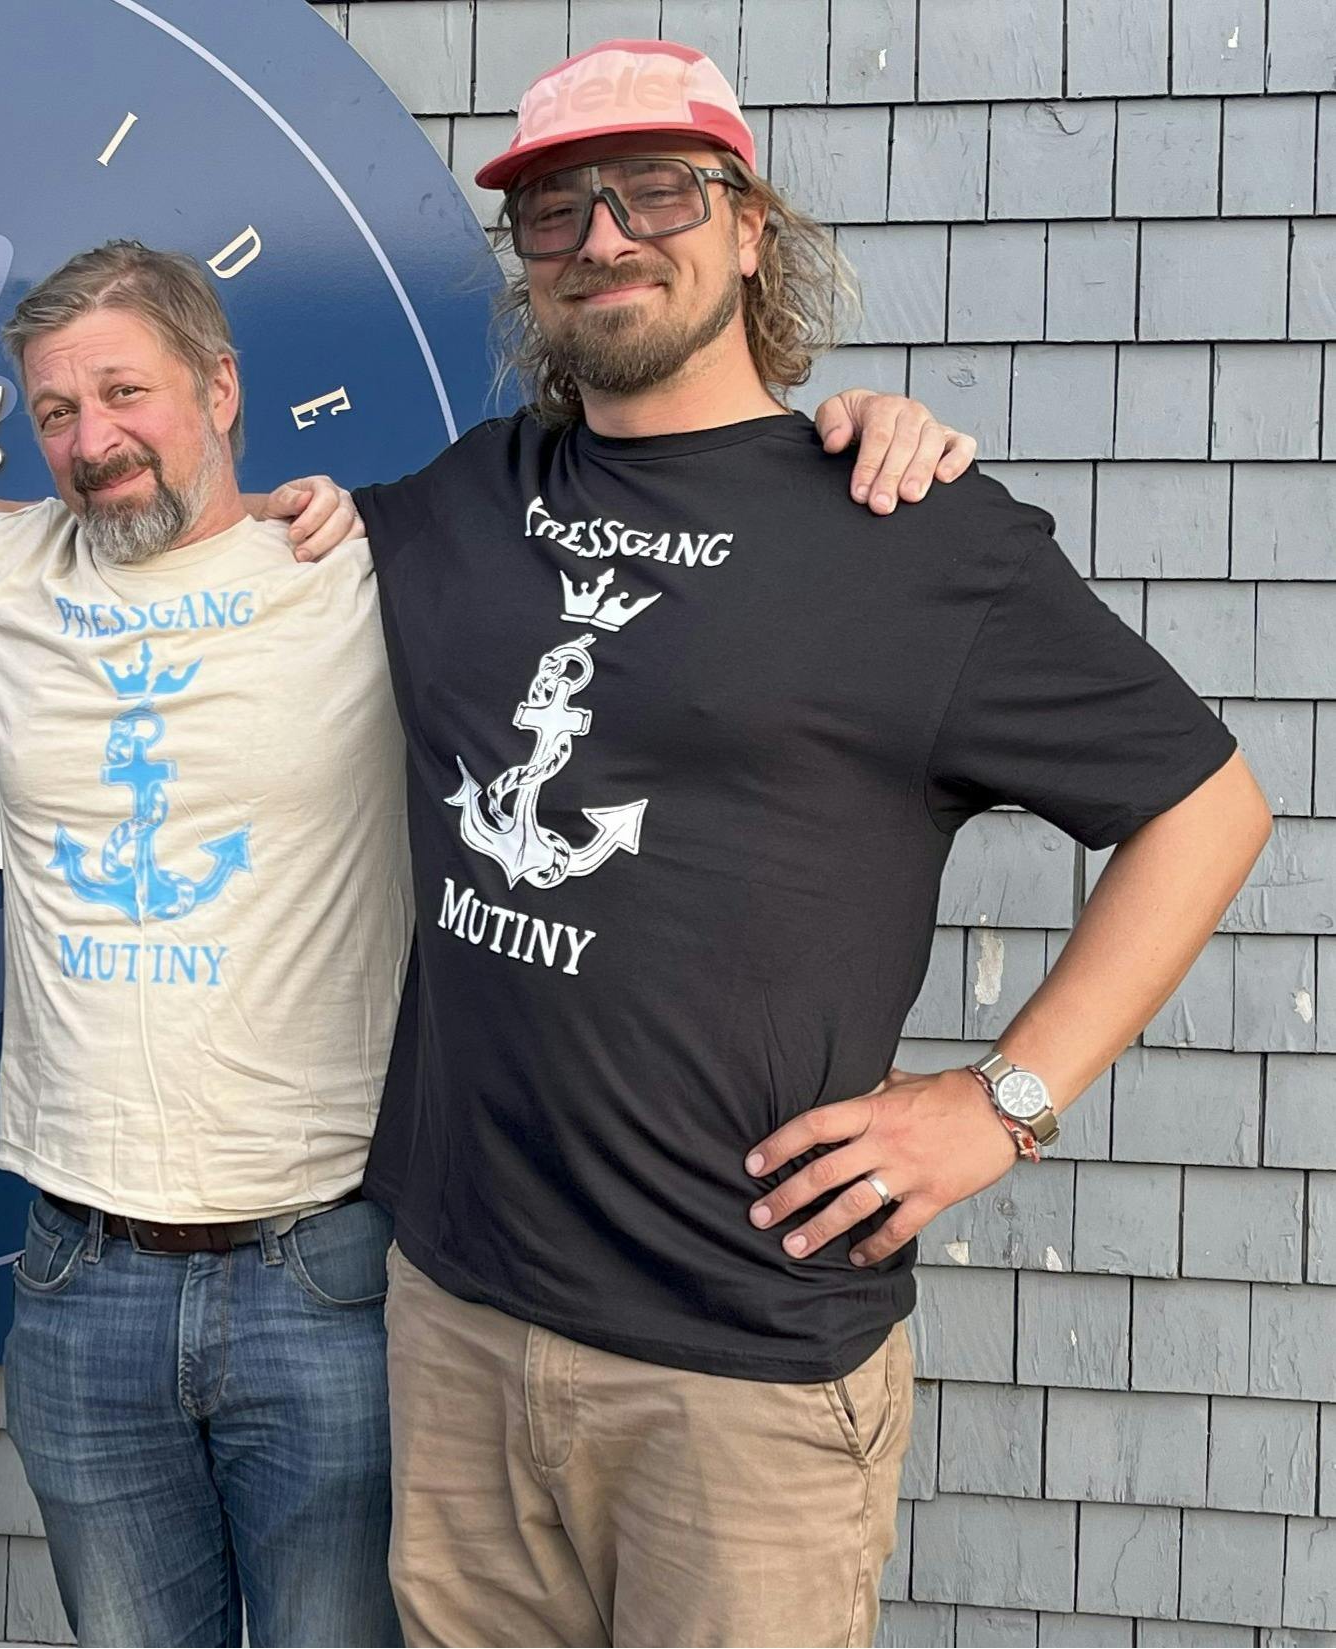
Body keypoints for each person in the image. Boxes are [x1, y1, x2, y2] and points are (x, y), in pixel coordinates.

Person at [0, 236, 971, 1649]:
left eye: (127, 393)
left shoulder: (370, 562)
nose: (94, 437)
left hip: (323, 1271)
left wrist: (835, 439)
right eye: (56, 410)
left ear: (221, 389)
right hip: (76, 1275)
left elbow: (655, 498)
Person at [350, 40, 1274, 1647]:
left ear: (750, 227)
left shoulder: (907, 532)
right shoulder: (459, 498)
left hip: (742, 1367)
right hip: (457, 1319)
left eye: (655, 192)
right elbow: (199, 538)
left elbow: (1209, 807)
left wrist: (1003, 1102)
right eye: (555, 210)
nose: (603, 238)